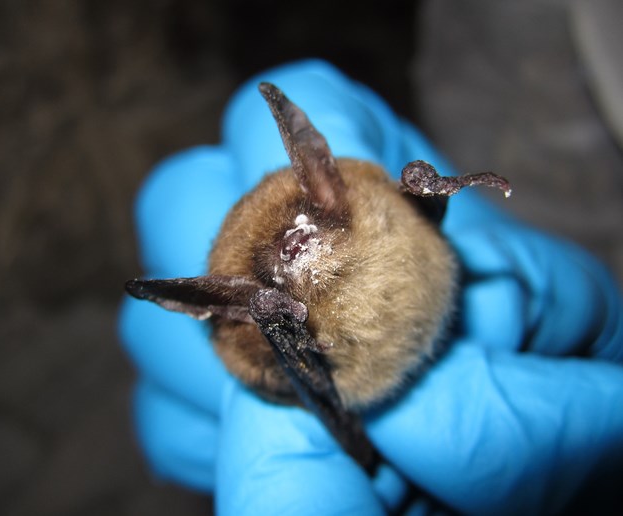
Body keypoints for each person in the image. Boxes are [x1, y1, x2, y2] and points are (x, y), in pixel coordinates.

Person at [119, 60, 623, 514]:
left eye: (299, 225)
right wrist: (266, 315)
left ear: (322, 180)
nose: (297, 246)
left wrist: (426, 192)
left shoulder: (368, 197)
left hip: (398, 267)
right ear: (243, 303)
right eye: (275, 260)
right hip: (332, 364)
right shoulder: (272, 329)